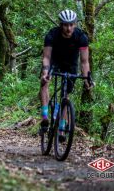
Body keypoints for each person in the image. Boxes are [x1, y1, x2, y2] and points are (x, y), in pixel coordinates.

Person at [39, 9, 92, 141]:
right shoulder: (52, 35)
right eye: (65, 25)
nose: (68, 28)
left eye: (71, 24)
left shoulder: (81, 37)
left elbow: (84, 62)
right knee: (44, 82)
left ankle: (62, 128)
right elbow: (46, 57)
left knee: (65, 95)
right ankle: (45, 117)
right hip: (54, 62)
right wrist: (46, 72)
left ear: (75, 24)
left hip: (71, 65)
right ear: (60, 24)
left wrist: (87, 79)